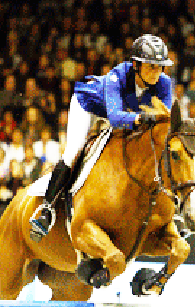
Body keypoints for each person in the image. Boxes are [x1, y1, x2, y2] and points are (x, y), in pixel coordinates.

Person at [29, 34, 173, 241]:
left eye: (160, 67)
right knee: (74, 151)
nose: (157, 72)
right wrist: (142, 117)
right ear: (135, 65)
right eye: (151, 66)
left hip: (126, 115)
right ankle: (47, 210)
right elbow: (115, 117)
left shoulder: (164, 83)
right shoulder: (118, 76)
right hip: (89, 107)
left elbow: (163, 120)